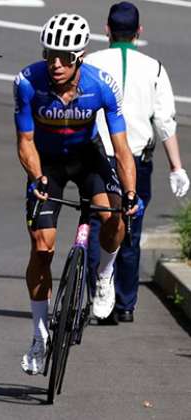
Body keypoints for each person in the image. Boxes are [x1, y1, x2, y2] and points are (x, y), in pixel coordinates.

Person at [14, 14, 141, 375]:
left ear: (80, 57)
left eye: (66, 57)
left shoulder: (101, 85)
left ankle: (104, 275)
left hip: (88, 158)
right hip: (46, 163)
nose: (56, 63)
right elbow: (24, 142)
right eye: (50, 54)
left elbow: (121, 148)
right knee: (42, 247)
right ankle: (39, 335)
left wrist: (130, 193)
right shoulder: (26, 81)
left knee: (113, 216)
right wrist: (36, 176)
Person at [85, 1, 189, 324]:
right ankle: (126, 303)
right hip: (137, 160)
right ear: (139, 32)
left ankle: (97, 295)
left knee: (98, 223)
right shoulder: (155, 69)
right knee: (131, 227)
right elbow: (165, 122)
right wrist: (177, 167)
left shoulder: (89, 63)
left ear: (107, 30)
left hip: (99, 156)